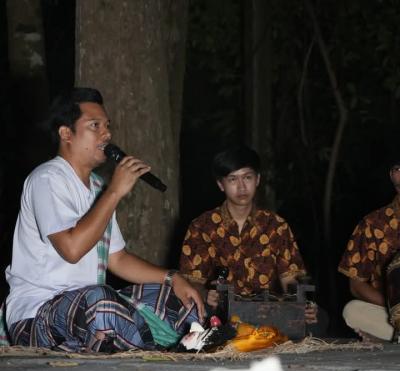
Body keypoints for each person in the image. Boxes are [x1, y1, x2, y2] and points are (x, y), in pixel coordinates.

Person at [5, 87, 204, 352]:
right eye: (94, 125)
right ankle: (155, 352)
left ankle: (177, 341)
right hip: (37, 315)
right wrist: (115, 192)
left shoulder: (98, 187)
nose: (107, 134)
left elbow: (117, 259)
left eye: (107, 126)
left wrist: (172, 278)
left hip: (87, 311)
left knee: (173, 296)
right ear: (66, 134)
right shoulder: (47, 179)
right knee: (103, 304)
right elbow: (72, 249)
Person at [179, 145, 321, 331]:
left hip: (269, 311)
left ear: (258, 179)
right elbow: (192, 281)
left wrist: (304, 303)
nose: (241, 187)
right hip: (223, 312)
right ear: (221, 185)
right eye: (233, 179)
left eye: (247, 177)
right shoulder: (202, 226)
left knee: (317, 320)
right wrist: (205, 294)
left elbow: (290, 279)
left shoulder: (276, 225)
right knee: (194, 314)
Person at [338, 162, 400, 342]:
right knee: (352, 311)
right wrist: (394, 307)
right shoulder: (373, 223)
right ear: (392, 175)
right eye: (398, 168)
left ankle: (391, 341)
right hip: (393, 314)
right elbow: (356, 286)